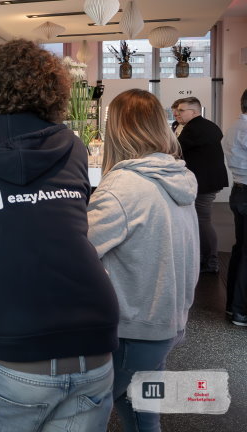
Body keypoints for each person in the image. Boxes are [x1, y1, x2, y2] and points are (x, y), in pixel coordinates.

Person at [0, 39, 119, 431]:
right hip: (96, 340)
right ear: (53, 92)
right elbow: (72, 224)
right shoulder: (72, 146)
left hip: (17, 342)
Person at [88, 89, 199, 431]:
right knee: (142, 410)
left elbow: (80, 251)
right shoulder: (177, 174)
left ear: (118, 129)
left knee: (89, 409)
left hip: (134, 326)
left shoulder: (123, 186)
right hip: (167, 318)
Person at [176, 96, 229, 273]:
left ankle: (211, 261)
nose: (177, 113)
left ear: (194, 111)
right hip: (209, 180)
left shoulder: (193, 128)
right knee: (201, 219)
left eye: (182, 110)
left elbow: (175, 150)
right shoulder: (207, 125)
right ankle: (204, 258)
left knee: (202, 220)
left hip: (203, 182)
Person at [223, 89, 247, 327]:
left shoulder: (234, 128)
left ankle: (233, 306)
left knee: (240, 249)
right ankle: (240, 310)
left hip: (239, 191)